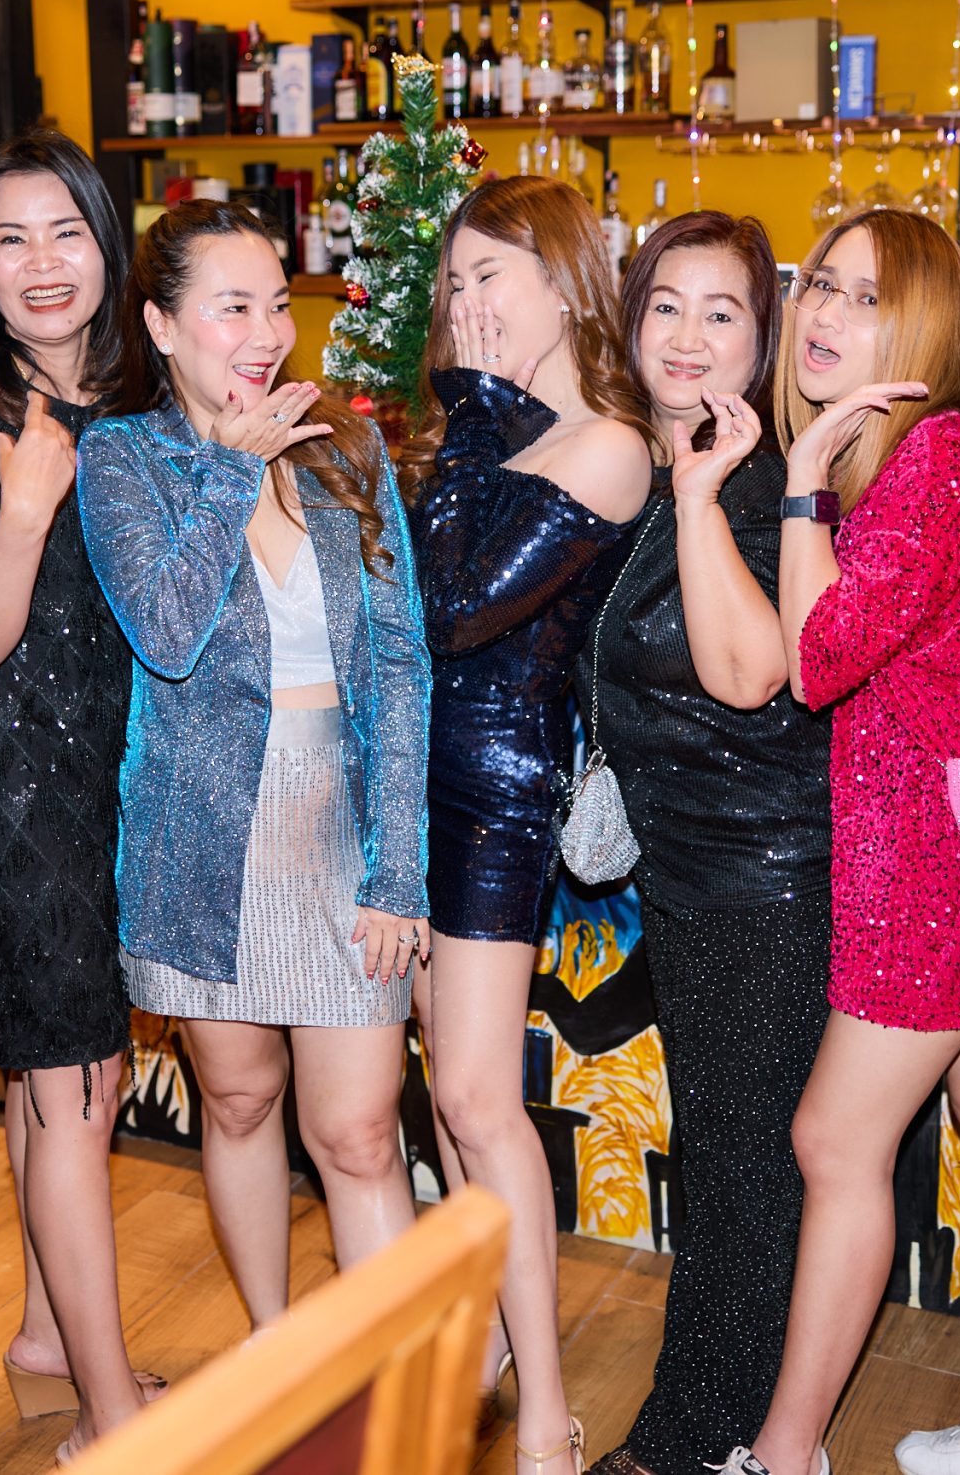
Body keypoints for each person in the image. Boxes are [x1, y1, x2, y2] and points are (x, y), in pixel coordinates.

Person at [717, 211, 960, 1475]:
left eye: (864, 298)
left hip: (938, 868)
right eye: (819, 285)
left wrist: (802, 484)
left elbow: (815, 663)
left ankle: (784, 1455)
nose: (823, 314)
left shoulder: (927, 461)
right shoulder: (939, 456)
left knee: (834, 1144)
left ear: (922, 323)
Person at [77, 200, 431, 1323]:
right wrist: (230, 474)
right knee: (238, 1103)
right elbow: (168, 635)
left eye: (277, 304)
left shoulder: (347, 446)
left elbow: (403, 666)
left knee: (359, 1130)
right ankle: (275, 1362)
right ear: (162, 325)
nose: (268, 333)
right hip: (202, 841)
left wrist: (399, 868)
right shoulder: (122, 458)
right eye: (233, 308)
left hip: (341, 825)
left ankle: (397, 1398)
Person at [0, 127, 162, 1451]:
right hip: (16, 784)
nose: (42, 262)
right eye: (11, 237)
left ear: (107, 250)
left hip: (113, 770)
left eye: (66, 233)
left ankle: (49, 1340)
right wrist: (26, 505)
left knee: (77, 1079)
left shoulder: (130, 397)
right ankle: (108, 1417)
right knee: (72, 1090)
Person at [571, 213, 831, 1475]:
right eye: (663, 306)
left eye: (720, 312)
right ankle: (736, 1421)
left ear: (762, 338)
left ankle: (691, 1441)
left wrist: (692, 496)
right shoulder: (655, 463)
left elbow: (748, 674)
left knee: (739, 1172)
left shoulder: (759, 483)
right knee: (731, 1157)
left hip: (764, 879)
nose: (685, 336)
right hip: (692, 876)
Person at [407, 175, 656, 1475]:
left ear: (564, 284)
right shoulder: (493, 427)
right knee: (446, 1104)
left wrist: (470, 410)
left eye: (489, 275)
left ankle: (548, 1410)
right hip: (410, 783)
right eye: (453, 282)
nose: (466, 303)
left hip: (495, 792)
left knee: (477, 1096)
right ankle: (493, 1343)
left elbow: (454, 607)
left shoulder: (609, 441)